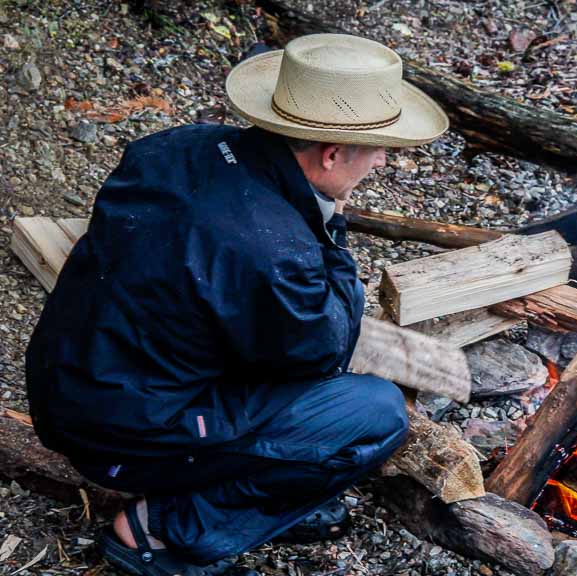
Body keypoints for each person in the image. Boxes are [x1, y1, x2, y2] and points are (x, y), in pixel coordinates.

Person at [25, 33, 448, 576]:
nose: (385, 161)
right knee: (371, 414)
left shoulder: (174, 146)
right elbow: (324, 357)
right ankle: (160, 529)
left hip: (67, 387)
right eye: (378, 148)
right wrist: (331, 224)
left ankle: (241, 494)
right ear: (332, 153)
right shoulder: (275, 252)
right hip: (125, 432)